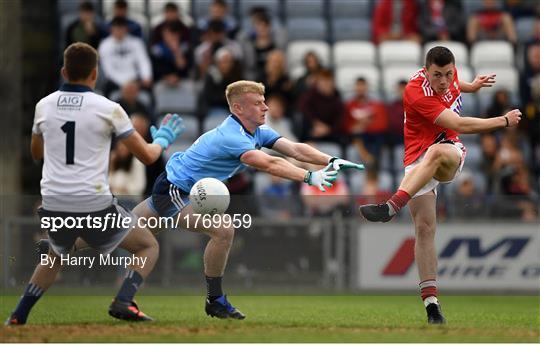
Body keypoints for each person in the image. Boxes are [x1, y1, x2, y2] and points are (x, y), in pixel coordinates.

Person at [49, 80, 365, 320]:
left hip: (174, 186)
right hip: (175, 189)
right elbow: (267, 163)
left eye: (265, 101)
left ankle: (57, 246)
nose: (265, 107)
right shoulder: (232, 135)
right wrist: (308, 177)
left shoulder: (255, 130)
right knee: (223, 229)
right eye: (258, 103)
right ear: (238, 109)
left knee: (124, 234)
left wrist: (329, 160)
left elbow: (294, 149)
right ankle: (215, 301)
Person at [4, 42, 183, 325]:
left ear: (64, 71)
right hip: (92, 202)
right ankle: (124, 300)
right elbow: (148, 157)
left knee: (55, 255)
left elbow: (36, 153)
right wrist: (161, 140)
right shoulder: (109, 108)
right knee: (147, 245)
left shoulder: (44, 106)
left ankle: (18, 316)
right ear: (95, 74)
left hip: (53, 202)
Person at [359, 46, 522, 324]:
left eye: (448, 74)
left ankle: (391, 206)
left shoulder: (450, 74)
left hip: (448, 150)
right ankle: (432, 307)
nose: (444, 81)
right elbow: (461, 122)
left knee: (437, 153)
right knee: (424, 229)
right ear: (426, 71)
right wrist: (504, 120)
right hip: (415, 159)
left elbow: (457, 102)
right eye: (437, 75)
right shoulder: (416, 91)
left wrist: (472, 86)